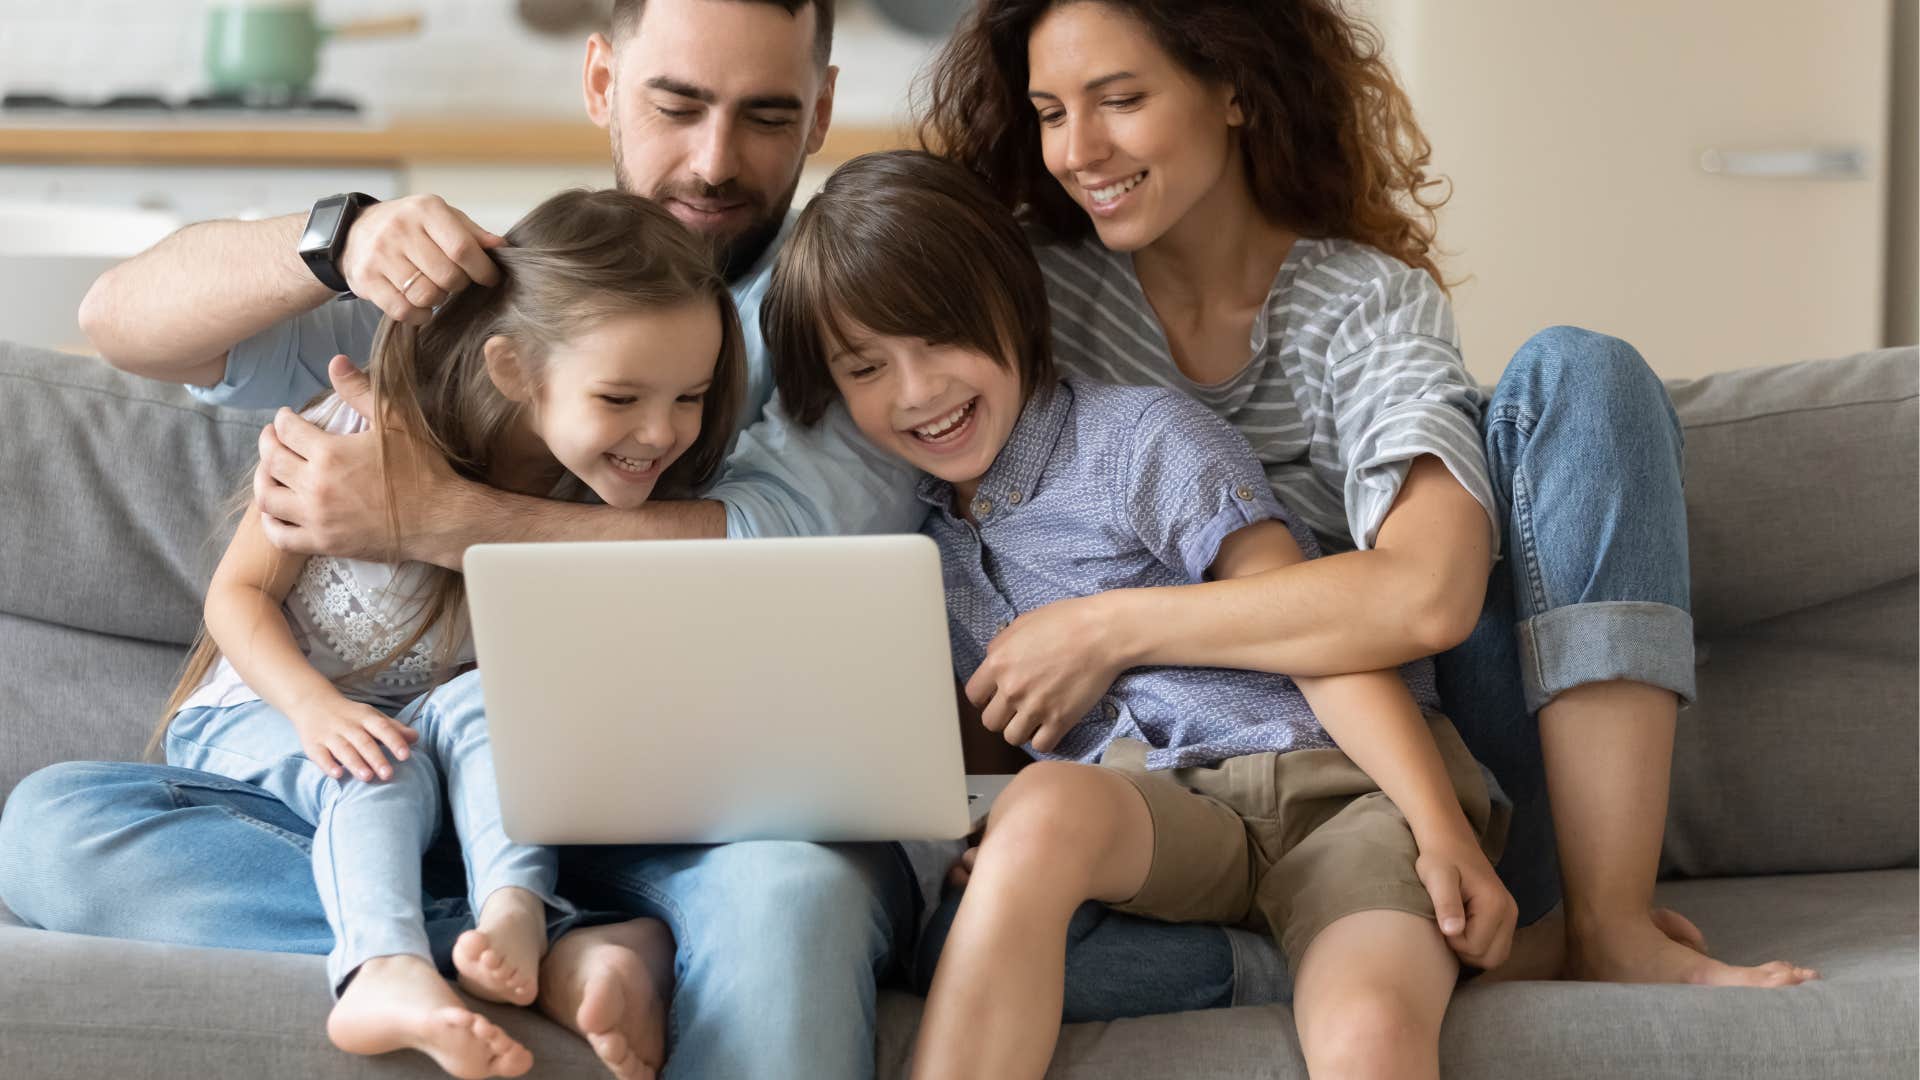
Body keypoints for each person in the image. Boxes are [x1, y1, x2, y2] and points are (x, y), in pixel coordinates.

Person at [0, 2, 1250, 1076]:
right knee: (54, 829)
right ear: (601, 80)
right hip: (428, 818)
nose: (714, 159)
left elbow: (766, 546)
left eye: (765, 116)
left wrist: (437, 521)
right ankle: (512, 940)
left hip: (716, 830)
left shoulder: (847, 334)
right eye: (677, 102)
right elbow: (127, 323)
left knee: (793, 895)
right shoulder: (493, 299)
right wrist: (334, 235)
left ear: (821, 112)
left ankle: (536, 928)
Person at [912, 0, 1814, 987]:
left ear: (1236, 90)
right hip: (1160, 805)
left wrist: (1107, 627)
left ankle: (1606, 924)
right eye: (1049, 112)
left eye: (1120, 99)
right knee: (954, 933)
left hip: (1413, 770)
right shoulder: (1022, 305)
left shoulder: (1360, 304)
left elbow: (1426, 595)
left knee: (1582, 374)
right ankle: (1330, 958)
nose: (1079, 150)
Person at [765, 148, 1512, 1080]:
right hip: (1166, 819)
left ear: (1012, 301)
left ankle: (1419, 952)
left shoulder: (1138, 439)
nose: (916, 392)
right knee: (1032, 817)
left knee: (1366, 1033)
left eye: (938, 339)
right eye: (866, 367)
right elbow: (1013, 748)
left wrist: (1441, 832)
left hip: (1336, 794)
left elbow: (1317, 638)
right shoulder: (920, 543)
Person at [154, 188, 742, 1078]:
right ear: (512, 368)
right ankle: (396, 969)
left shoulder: (603, 503)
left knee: (479, 707)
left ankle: (509, 912)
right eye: (621, 395)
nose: (661, 432)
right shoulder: (361, 431)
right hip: (271, 722)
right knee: (371, 767)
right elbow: (236, 596)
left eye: (690, 397)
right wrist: (314, 711)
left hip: (441, 791)